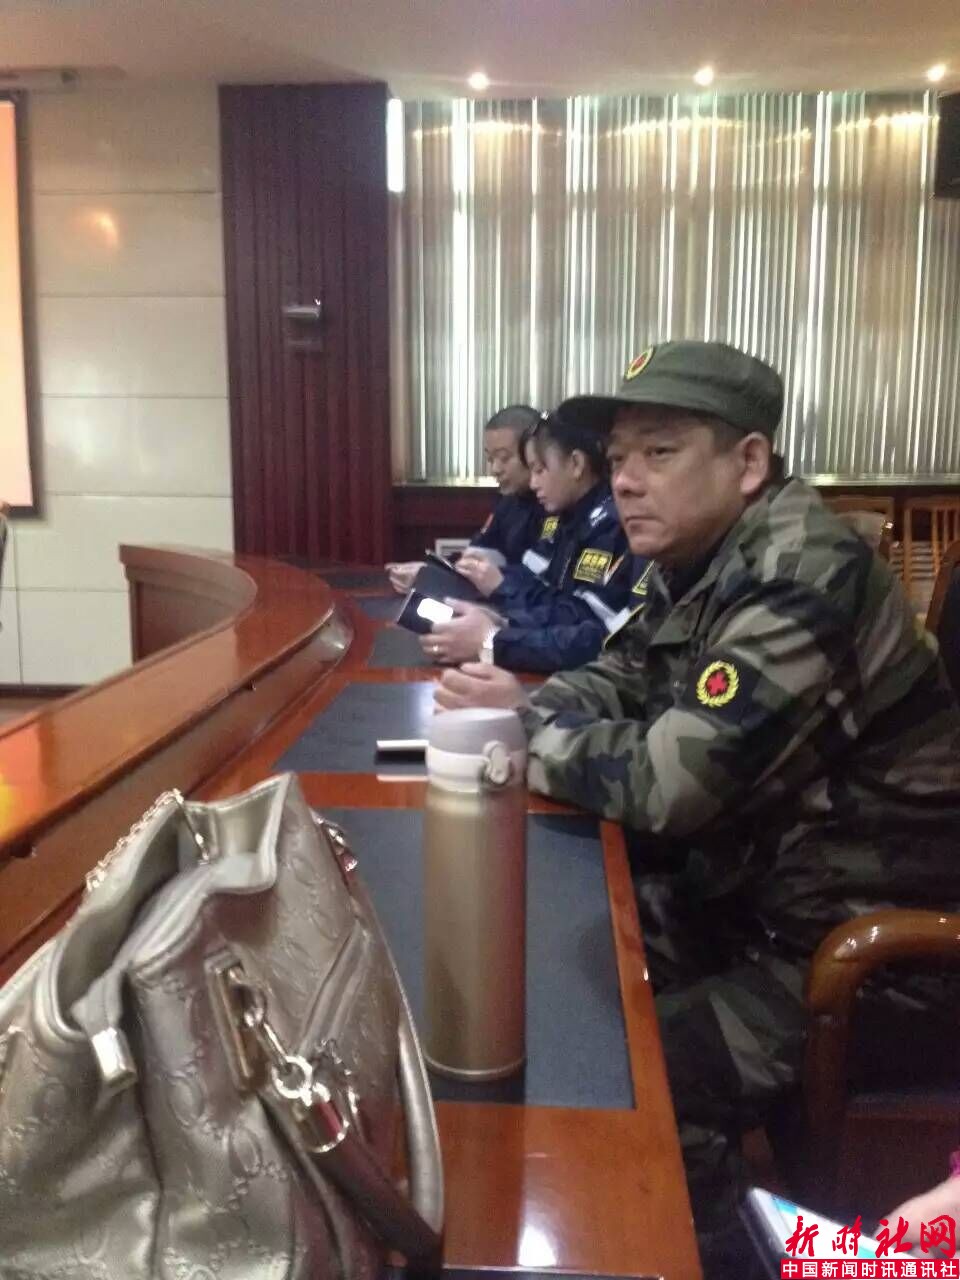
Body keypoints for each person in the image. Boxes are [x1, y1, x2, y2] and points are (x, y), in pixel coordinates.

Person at [434, 339, 960, 1273]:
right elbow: (612, 677)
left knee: (634, 1076)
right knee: (555, 981)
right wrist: (546, 717)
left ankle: (712, 1254)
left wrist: (523, 734)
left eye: (660, 452)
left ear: (748, 462)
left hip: (871, 961)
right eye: (619, 455)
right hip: (761, 902)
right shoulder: (703, 559)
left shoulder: (802, 572)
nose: (626, 479)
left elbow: (670, 784)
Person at [421, 411, 636, 671]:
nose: (533, 483)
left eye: (539, 470)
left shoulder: (610, 524)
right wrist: (504, 620)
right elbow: (543, 590)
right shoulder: (565, 516)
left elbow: (589, 629)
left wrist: (494, 638)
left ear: (576, 464)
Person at [385, 404, 544, 594]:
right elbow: (479, 551)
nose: (495, 469)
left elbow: (538, 578)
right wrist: (431, 572)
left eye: (504, 458)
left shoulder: (554, 507)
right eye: (490, 459)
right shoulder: (509, 500)